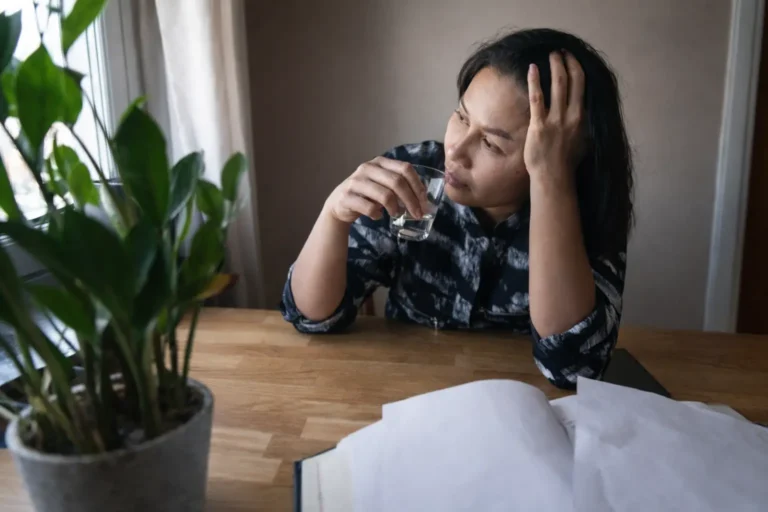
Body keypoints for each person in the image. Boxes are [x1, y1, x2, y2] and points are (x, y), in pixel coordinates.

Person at [280, 28, 634, 389]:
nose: (456, 151)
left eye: (491, 143)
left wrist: (551, 179)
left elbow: (572, 368)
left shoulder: (588, 211)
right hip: (406, 392)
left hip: (527, 414)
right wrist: (333, 216)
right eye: (462, 117)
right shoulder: (411, 177)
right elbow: (312, 319)